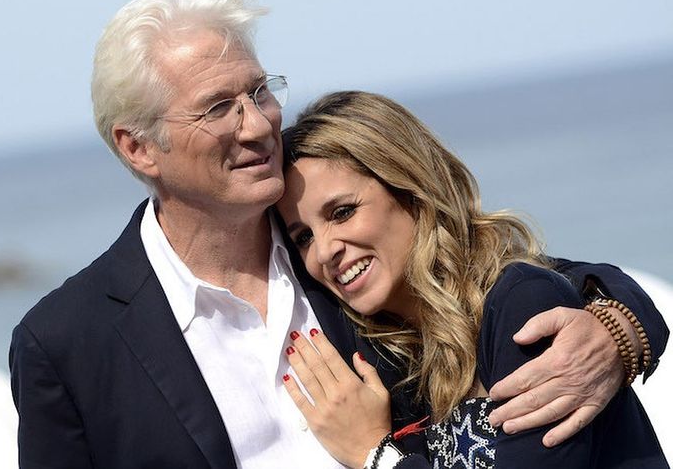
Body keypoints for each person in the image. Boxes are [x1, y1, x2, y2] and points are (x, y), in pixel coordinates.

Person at [9, 0, 667, 468]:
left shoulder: (345, 269)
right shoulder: (64, 345)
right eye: (217, 107)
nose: (257, 124)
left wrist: (617, 328)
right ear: (138, 147)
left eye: (258, 92)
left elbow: (501, 281)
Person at [276, 90, 669, 468]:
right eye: (303, 237)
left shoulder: (522, 310)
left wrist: (374, 454)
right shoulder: (392, 352)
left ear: (412, 189)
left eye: (342, 212)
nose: (324, 251)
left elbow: (546, 282)